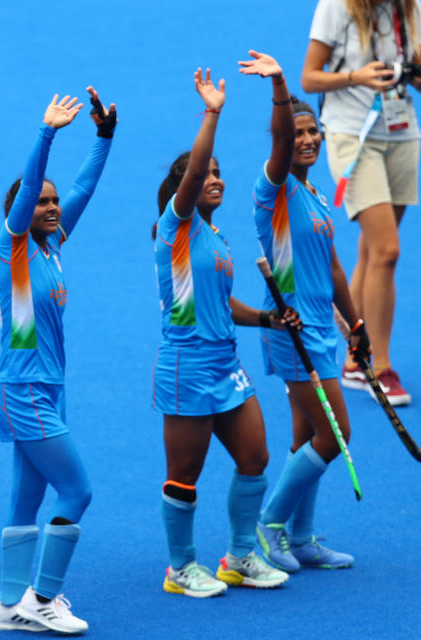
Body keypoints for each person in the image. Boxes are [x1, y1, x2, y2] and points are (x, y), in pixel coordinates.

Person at [152, 68, 296, 599]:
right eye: (204, 174)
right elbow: (189, 178)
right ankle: (180, 567)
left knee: (254, 458)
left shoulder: (213, 237)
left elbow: (217, 303)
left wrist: (265, 318)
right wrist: (213, 112)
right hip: (186, 365)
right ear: (181, 191)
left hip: (225, 364)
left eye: (218, 173)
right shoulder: (177, 228)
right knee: (184, 475)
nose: (214, 179)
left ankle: (238, 557)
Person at [0, 88, 113, 635]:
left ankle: (8, 603)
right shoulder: (12, 247)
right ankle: (44, 596)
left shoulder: (51, 246)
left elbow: (82, 189)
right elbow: (29, 198)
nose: (51, 207)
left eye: (52, 202)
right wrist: (47, 133)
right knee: (78, 490)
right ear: (20, 210)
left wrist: (104, 138)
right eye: (41, 201)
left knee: (28, 498)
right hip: (25, 389)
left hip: (45, 389)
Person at [242, 50, 369, 572]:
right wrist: (278, 86)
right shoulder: (272, 190)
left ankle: (301, 538)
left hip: (323, 329)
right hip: (294, 334)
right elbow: (278, 141)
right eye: (298, 135)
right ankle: (268, 524)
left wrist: (356, 324)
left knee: (305, 437)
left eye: (313, 131)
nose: (309, 139)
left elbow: (335, 268)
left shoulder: (314, 194)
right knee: (336, 431)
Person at [302, 0, 421, 404]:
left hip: (402, 134)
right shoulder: (335, 6)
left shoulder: (411, 6)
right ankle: (377, 367)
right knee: (387, 250)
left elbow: (415, 62)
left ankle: (353, 357)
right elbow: (309, 77)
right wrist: (358, 76)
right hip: (352, 137)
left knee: (373, 249)